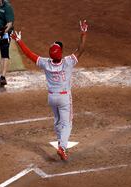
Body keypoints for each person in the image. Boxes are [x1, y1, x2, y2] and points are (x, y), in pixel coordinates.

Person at [11, 20, 88, 161]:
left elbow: (29, 54)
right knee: (67, 123)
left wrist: (19, 41)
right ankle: (62, 147)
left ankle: (60, 141)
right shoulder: (68, 61)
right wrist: (83, 33)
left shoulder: (45, 62)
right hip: (64, 98)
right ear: (61, 53)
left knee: (58, 120)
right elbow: (81, 49)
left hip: (52, 98)